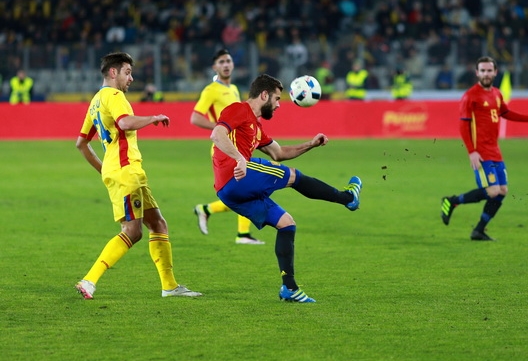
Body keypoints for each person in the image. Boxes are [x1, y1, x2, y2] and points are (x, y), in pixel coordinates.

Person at [210, 74, 362, 303]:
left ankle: (289, 288)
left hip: (230, 191)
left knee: (286, 224)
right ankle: (348, 197)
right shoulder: (239, 109)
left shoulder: (256, 127)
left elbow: (279, 153)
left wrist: (310, 145)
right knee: (292, 176)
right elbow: (217, 133)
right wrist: (240, 158)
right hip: (236, 177)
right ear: (264, 95)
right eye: (277, 98)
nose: (280, 104)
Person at [74, 52, 201, 299]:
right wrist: (153, 117)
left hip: (124, 171)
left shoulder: (96, 101)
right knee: (133, 231)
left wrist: (105, 169)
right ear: (113, 72)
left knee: (158, 223)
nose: (131, 78)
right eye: (127, 72)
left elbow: (81, 143)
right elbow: (124, 123)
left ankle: (170, 286)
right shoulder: (114, 95)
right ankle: (89, 280)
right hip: (126, 172)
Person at [441, 56, 528, 241]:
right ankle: (452, 201)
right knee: (493, 191)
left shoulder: (497, 94)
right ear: (477, 73)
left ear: (495, 72)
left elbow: (505, 112)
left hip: (495, 151)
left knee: (502, 191)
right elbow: (463, 126)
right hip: (480, 152)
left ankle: (479, 230)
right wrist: (471, 151)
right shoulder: (470, 96)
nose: (486, 74)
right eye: (482, 71)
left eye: (489, 70)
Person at [191, 49, 262, 244]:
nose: (226, 64)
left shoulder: (234, 89)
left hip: (236, 146)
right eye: (221, 62)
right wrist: (220, 128)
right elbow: (195, 117)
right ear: (215, 67)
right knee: (246, 188)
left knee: (241, 190)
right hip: (224, 148)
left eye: (229, 61)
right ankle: (242, 234)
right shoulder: (211, 90)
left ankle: (207, 210)